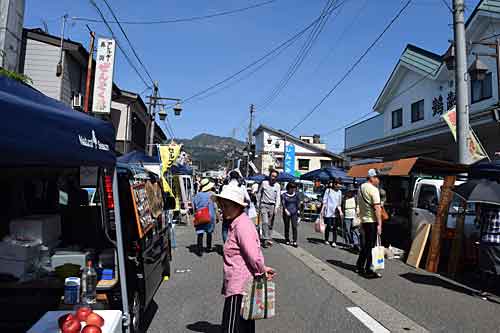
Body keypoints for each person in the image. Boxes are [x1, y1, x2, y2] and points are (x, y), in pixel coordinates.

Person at [212, 185, 276, 333]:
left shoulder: (242, 225)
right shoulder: (238, 223)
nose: (223, 209)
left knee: (232, 328)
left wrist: (261, 270)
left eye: (226, 205)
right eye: (222, 205)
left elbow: (253, 255)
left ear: (237, 206)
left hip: (239, 286)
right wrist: (262, 269)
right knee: (244, 326)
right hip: (240, 284)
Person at [356, 169, 383, 278]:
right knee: (371, 247)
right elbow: (377, 208)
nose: (379, 180)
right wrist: (380, 224)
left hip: (364, 220)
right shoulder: (373, 190)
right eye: (377, 177)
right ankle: (368, 269)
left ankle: (359, 265)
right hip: (372, 221)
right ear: (371, 178)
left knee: (366, 245)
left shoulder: (361, 188)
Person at [476, 203, 500, 299]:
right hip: (498, 241)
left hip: (487, 240)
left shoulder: (486, 208)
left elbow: (479, 224)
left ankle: (484, 292)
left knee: (486, 268)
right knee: (498, 268)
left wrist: (478, 215)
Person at [221, 170, 251, 242]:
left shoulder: (225, 187)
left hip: (227, 211)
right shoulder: (242, 187)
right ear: (238, 178)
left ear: (230, 178)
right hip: (238, 211)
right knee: (238, 229)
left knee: (225, 229)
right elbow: (248, 199)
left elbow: (221, 198)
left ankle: (227, 246)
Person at [192, 179, 217, 256]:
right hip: (210, 215)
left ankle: (199, 250)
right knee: (209, 232)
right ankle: (208, 247)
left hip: (200, 216)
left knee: (200, 233)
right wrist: (218, 216)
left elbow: (194, 208)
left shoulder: (197, 195)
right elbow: (215, 207)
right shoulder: (212, 194)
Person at [257, 169, 281, 248]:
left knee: (270, 224)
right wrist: (258, 204)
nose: (273, 178)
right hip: (264, 204)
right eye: (272, 176)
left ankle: (268, 237)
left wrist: (276, 207)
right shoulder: (264, 183)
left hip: (272, 206)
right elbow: (259, 193)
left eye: (275, 176)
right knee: (265, 222)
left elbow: (278, 197)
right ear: (270, 176)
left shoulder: (277, 186)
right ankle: (265, 239)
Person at [321, 178, 343, 247]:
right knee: (328, 226)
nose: (340, 185)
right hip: (328, 211)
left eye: (340, 184)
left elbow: (339, 203)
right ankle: (326, 239)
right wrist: (322, 210)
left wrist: (340, 211)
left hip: (335, 212)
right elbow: (324, 201)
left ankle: (334, 241)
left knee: (335, 227)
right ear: (335, 184)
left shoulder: (340, 192)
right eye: (339, 184)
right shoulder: (328, 190)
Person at [281, 182, 301, 247]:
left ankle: (294, 241)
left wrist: (298, 211)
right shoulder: (284, 195)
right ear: (288, 188)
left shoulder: (296, 195)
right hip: (286, 212)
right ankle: (287, 239)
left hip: (294, 213)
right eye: (291, 188)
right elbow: (283, 204)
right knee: (287, 226)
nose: (293, 189)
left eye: (294, 188)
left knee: (294, 227)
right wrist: (286, 210)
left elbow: (298, 203)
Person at [343, 184, 360, 251]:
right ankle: (350, 243)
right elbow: (342, 206)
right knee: (347, 230)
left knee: (355, 230)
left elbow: (358, 206)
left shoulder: (355, 198)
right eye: (350, 191)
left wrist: (358, 213)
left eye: (352, 191)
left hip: (354, 216)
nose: (351, 192)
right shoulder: (344, 198)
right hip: (347, 215)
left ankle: (356, 243)